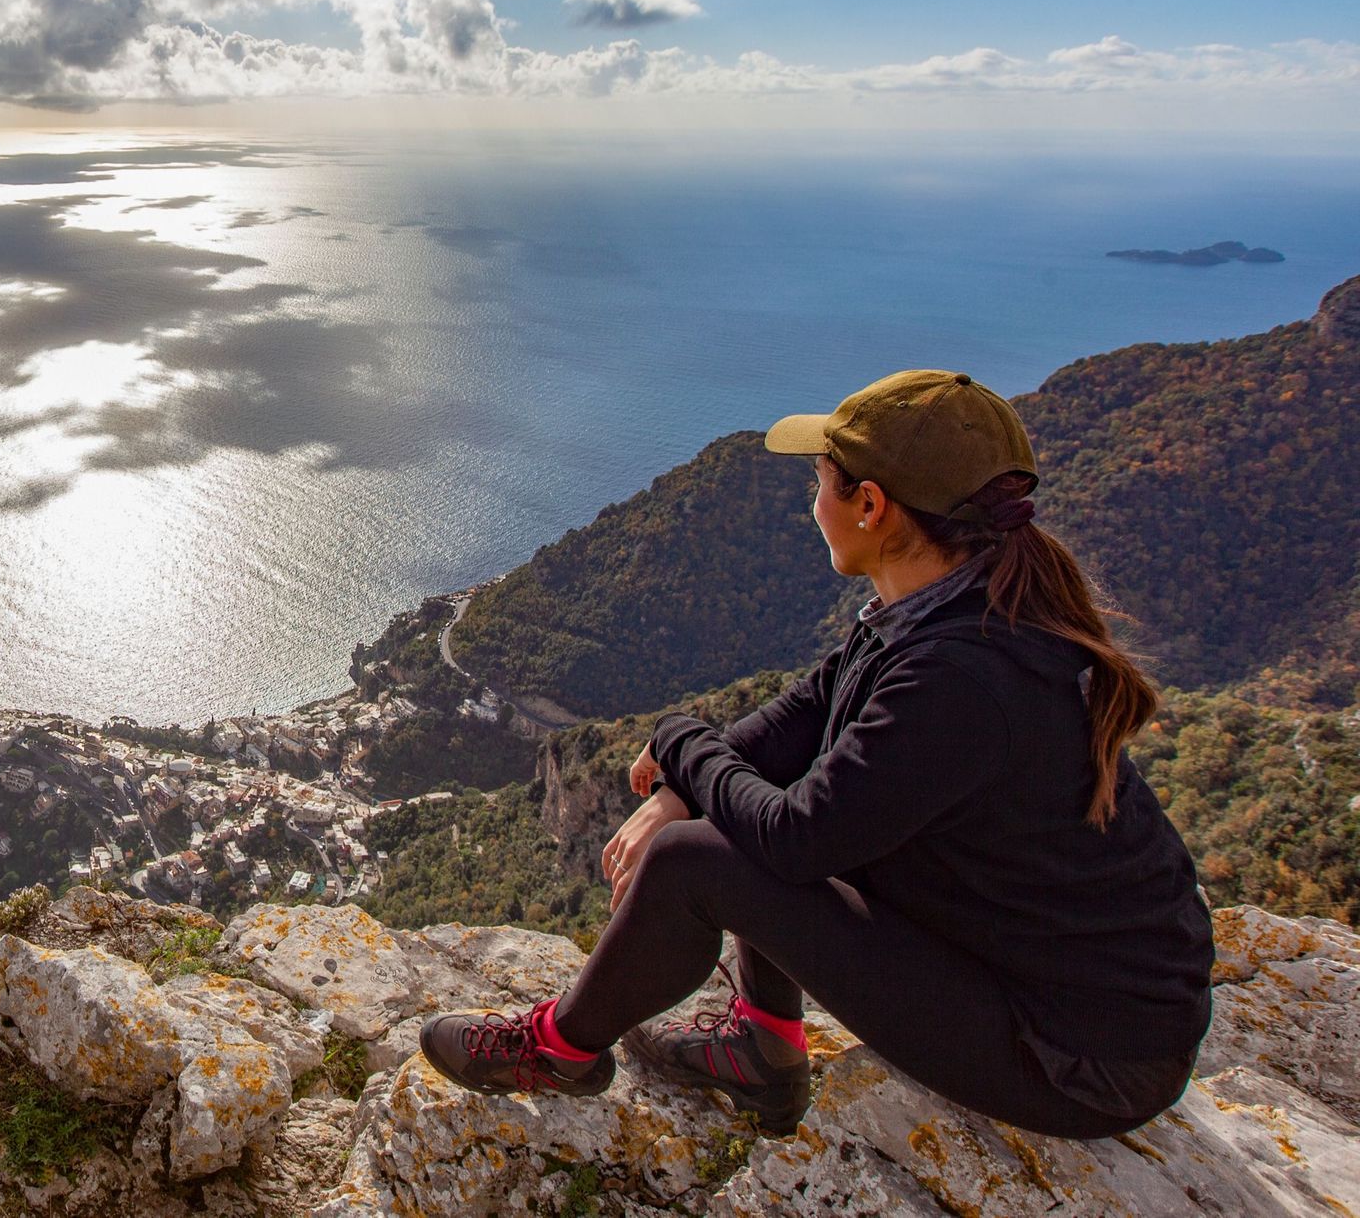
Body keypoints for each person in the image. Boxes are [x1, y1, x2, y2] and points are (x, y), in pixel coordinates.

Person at [419, 369, 1214, 1139]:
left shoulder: (963, 677)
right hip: (1057, 984)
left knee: (698, 858)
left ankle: (559, 1051)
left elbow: (796, 839)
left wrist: (683, 748)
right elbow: (811, 707)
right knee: (747, 809)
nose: (814, 502)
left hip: (1079, 1058)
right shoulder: (956, 606)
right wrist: (681, 780)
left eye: (821, 482)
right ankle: (761, 1045)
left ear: (869, 505)